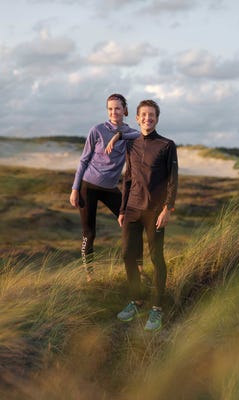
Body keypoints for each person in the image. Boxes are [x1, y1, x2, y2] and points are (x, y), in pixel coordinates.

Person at [117, 99, 178, 331]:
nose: (147, 118)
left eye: (151, 115)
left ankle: (157, 309)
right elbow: (128, 178)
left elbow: (173, 180)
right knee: (127, 255)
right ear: (137, 118)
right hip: (132, 209)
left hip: (155, 211)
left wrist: (167, 208)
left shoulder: (167, 145)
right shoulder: (131, 144)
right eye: (143, 115)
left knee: (156, 258)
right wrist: (122, 209)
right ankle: (136, 301)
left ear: (157, 118)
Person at [70, 93, 143, 282]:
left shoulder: (128, 134)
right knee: (89, 232)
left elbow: (141, 135)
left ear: (125, 110)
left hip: (110, 188)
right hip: (89, 186)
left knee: (132, 221)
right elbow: (84, 159)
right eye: (110, 109)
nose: (113, 112)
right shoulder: (97, 130)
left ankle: (139, 266)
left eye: (117, 108)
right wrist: (75, 188)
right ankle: (90, 275)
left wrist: (118, 135)